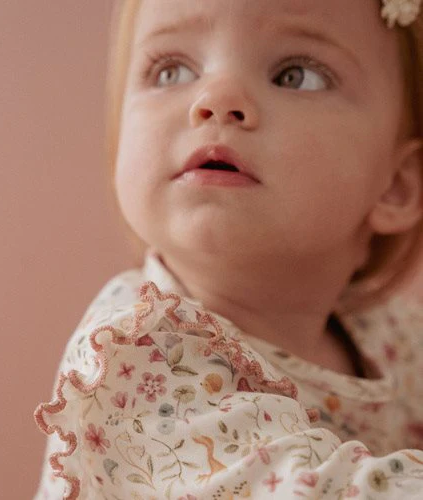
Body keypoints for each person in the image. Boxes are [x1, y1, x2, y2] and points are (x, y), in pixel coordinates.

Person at [33, 0, 423, 498]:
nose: (215, 99)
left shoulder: (389, 336)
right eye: (171, 70)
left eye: (295, 75)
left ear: (395, 186)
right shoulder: (140, 357)